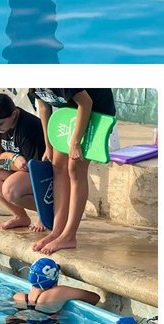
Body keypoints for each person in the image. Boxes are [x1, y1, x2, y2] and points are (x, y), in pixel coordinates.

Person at [29, 88, 115, 255]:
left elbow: (86, 102)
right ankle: (57, 232)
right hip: (69, 111)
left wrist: (75, 143)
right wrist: (48, 145)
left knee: (74, 168)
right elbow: (44, 107)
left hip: (96, 110)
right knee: (57, 165)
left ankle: (69, 236)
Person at [0, 92, 46, 231]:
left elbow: (28, 167)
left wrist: (1, 163)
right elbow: (3, 155)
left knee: (10, 189)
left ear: (14, 114)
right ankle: (20, 217)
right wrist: (13, 157)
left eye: (0, 124)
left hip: (42, 172)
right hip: (23, 167)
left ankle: (47, 212)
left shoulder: (28, 126)